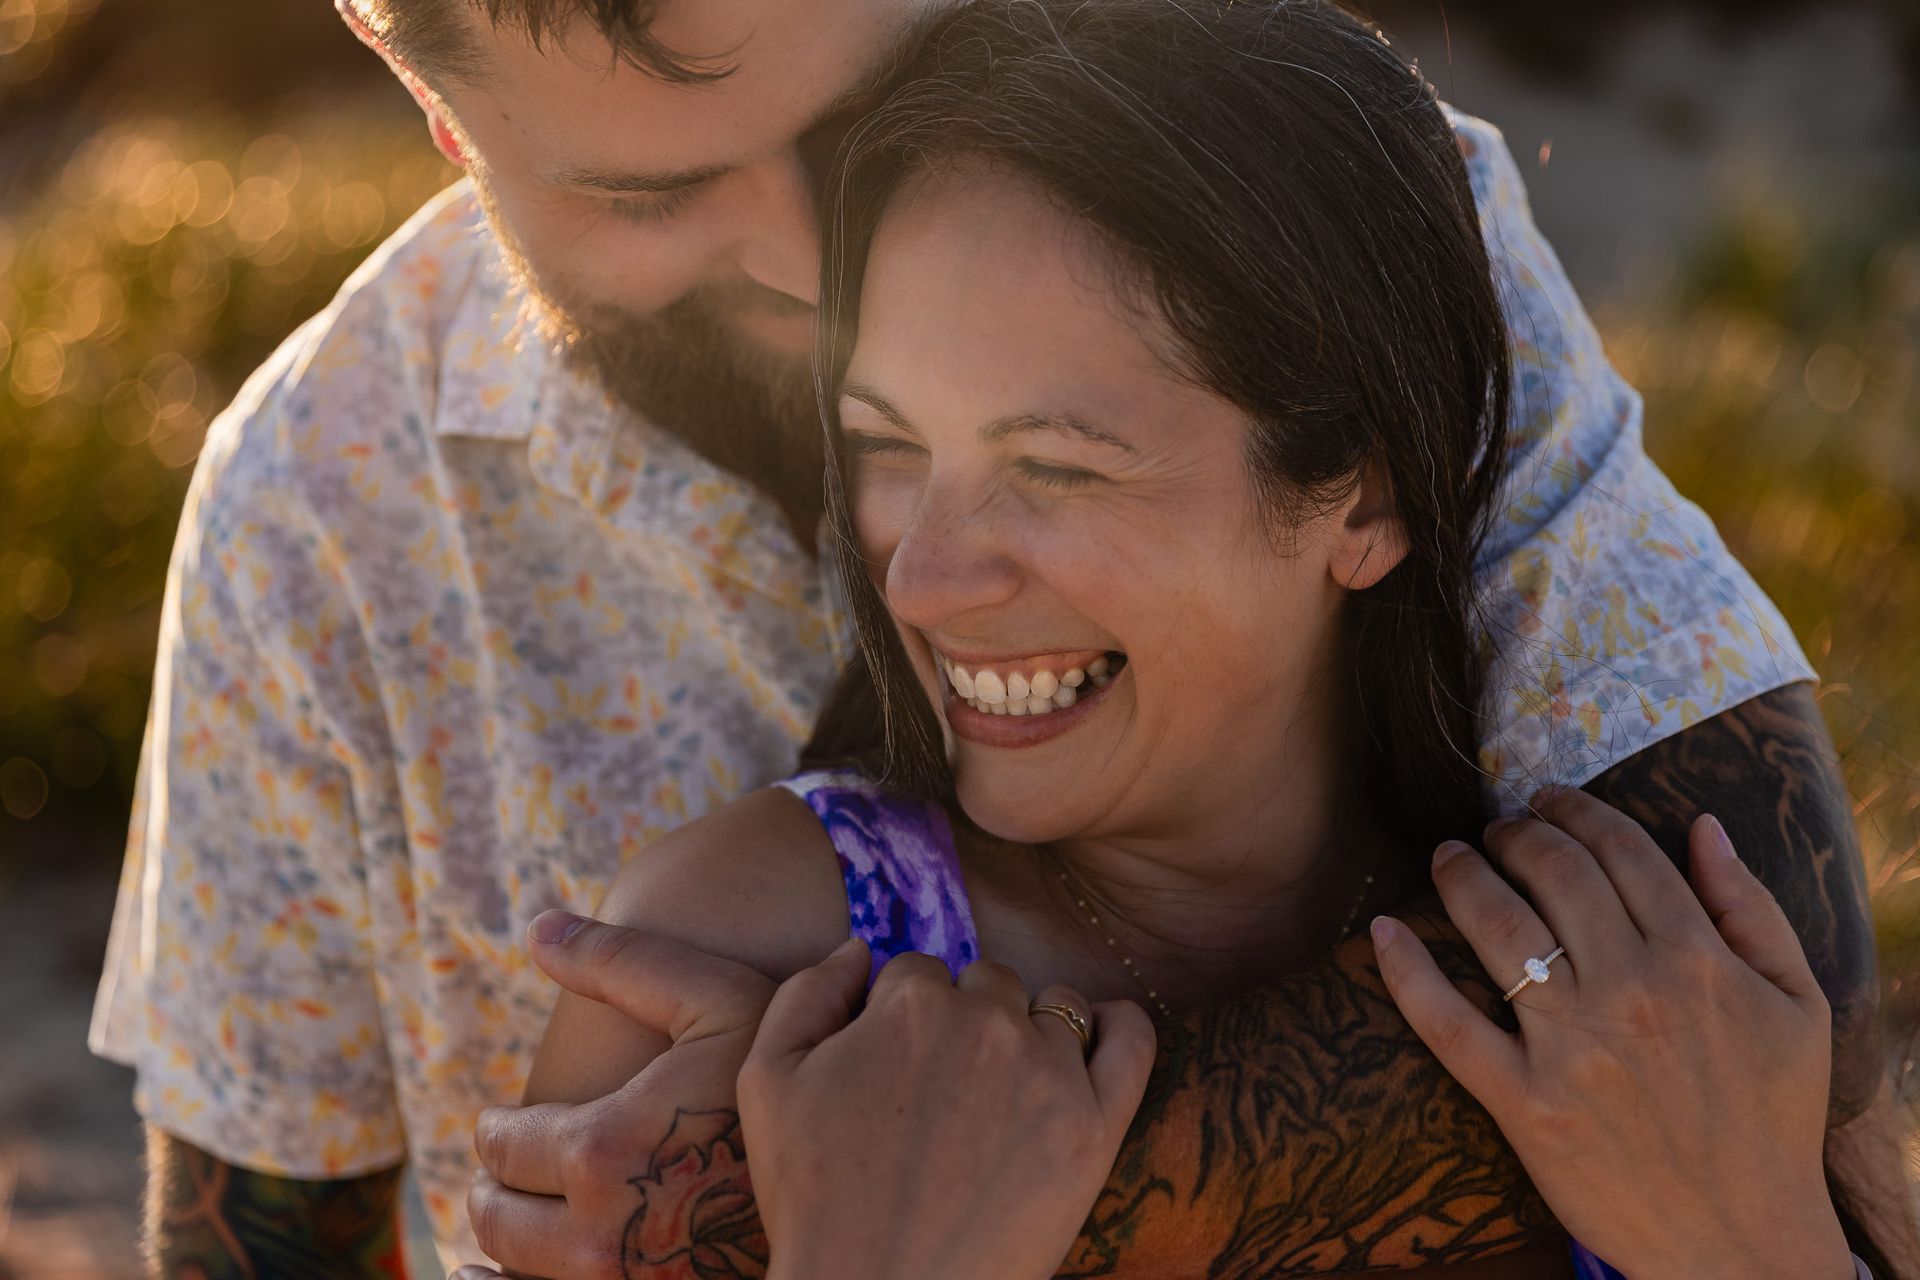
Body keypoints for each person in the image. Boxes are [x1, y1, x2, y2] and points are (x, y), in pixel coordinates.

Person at [83, 0, 1891, 1273]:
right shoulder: (320, 506)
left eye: (855, 117)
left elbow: (1758, 957)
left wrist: (810, 1198)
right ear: (444, 116)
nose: (817, 262)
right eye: (656, 193)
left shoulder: (1275, 191)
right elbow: (260, 1238)